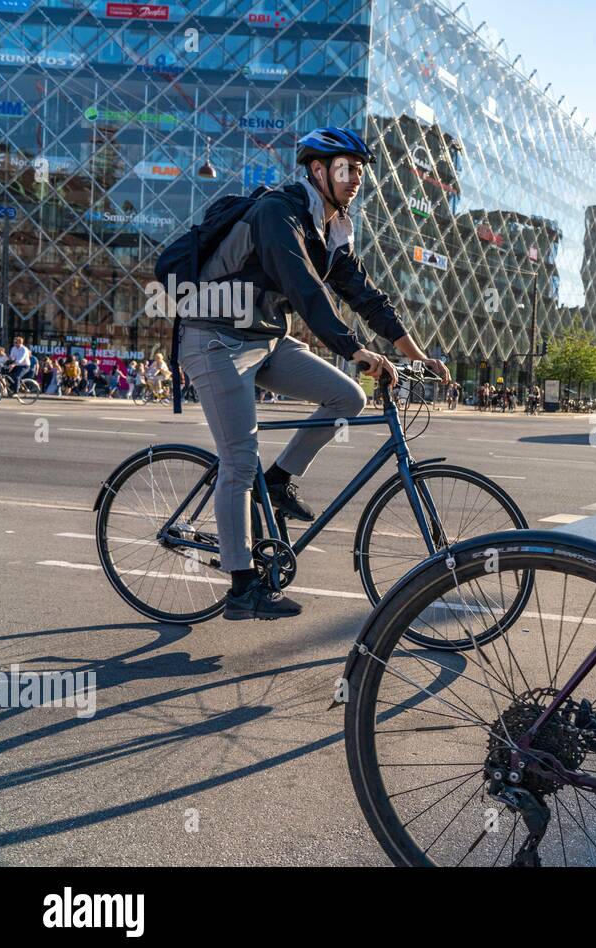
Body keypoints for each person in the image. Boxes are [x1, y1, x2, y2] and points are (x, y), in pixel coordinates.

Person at [176, 126, 449, 621]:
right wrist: (355, 350)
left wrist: (415, 351)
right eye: (347, 169)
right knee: (239, 460)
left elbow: (363, 294)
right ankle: (241, 589)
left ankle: (278, 481)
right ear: (318, 171)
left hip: (263, 337)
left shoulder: (334, 229)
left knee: (348, 398)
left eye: (361, 171)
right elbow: (305, 289)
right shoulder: (278, 213)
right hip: (213, 337)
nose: (356, 179)